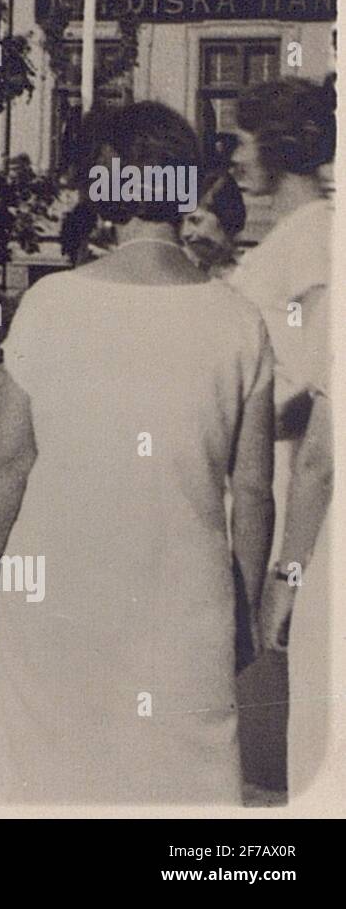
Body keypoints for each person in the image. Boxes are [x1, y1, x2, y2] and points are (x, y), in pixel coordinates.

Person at [0, 102, 275, 804]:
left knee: (49, 783)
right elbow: (253, 491)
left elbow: (9, 459)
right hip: (186, 605)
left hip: (59, 599)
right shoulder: (240, 320)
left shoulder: (52, 304)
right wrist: (246, 607)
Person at [228, 76, 334, 796]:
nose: (232, 155)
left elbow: (314, 381)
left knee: (289, 734)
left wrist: (220, 414)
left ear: (276, 146)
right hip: (255, 478)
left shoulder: (319, 236)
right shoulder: (289, 235)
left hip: (291, 489)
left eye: (239, 138)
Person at [182, 167, 247, 278]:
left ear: (227, 218)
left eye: (195, 221)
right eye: (180, 223)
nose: (185, 232)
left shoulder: (251, 273)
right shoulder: (179, 270)